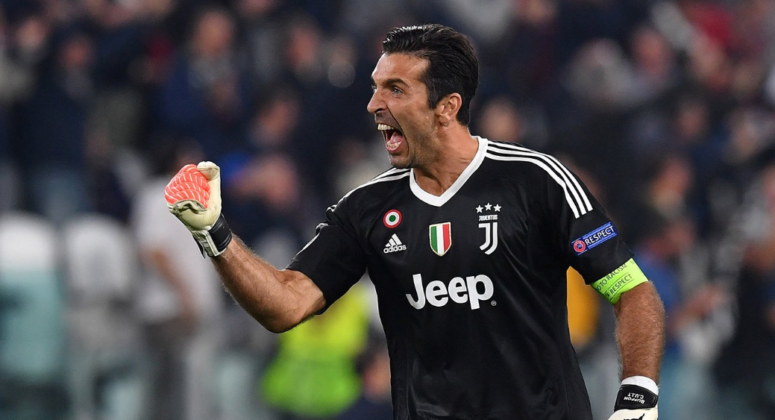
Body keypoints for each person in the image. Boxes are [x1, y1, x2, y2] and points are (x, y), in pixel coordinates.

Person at [164, 24, 665, 420]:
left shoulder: (537, 181)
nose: (373, 104)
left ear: (447, 107)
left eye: (395, 89)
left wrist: (639, 392)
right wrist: (215, 233)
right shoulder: (366, 208)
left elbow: (631, 290)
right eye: (376, 88)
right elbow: (286, 304)